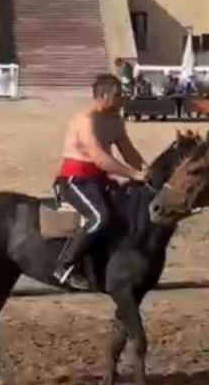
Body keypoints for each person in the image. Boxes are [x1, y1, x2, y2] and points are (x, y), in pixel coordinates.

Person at [53, 74, 148, 289]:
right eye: (117, 96)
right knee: (99, 217)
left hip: (99, 180)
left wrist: (146, 172)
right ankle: (65, 266)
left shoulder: (115, 120)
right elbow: (100, 158)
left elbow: (129, 151)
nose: (122, 99)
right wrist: (133, 174)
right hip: (75, 181)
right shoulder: (85, 120)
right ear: (103, 96)